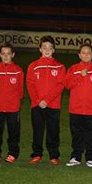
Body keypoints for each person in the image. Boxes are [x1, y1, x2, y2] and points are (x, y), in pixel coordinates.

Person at [65, 44, 92, 167]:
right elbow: (67, 85)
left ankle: (90, 157)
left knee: (90, 135)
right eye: (83, 53)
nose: (86, 55)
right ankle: (76, 156)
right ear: (79, 55)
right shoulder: (73, 69)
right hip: (75, 109)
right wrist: (79, 75)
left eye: (88, 53)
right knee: (76, 134)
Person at [26, 36, 66, 165]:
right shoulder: (33, 66)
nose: (47, 50)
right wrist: (38, 100)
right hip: (37, 104)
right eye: (44, 48)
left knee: (53, 131)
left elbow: (60, 85)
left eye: (50, 48)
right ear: (40, 49)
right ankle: (37, 154)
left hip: (53, 105)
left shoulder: (60, 66)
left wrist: (47, 100)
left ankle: (54, 155)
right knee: (37, 130)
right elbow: (30, 85)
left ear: (54, 50)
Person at [0, 43, 24, 163]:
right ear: (0, 55)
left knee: (13, 132)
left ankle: (12, 154)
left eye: (8, 54)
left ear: (13, 55)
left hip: (13, 108)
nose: (6, 56)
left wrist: (13, 102)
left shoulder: (18, 71)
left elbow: (20, 91)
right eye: (3, 54)